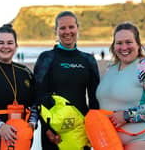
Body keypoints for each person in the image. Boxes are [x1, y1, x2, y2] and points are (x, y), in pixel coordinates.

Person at [34, 11, 100, 150]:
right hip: (54, 131)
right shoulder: (47, 58)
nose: (67, 31)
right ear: (56, 31)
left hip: (81, 129)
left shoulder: (88, 60)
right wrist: (47, 128)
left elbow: (94, 99)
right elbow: (38, 95)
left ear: (77, 28)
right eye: (62, 28)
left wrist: (94, 128)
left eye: (71, 27)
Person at [96, 22, 145, 149]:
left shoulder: (144, 67)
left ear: (138, 44)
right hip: (108, 142)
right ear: (114, 46)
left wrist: (127, 115)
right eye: (119, 43)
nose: (124, 47)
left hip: (139, 140)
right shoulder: (110, 69)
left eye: (128, 42)